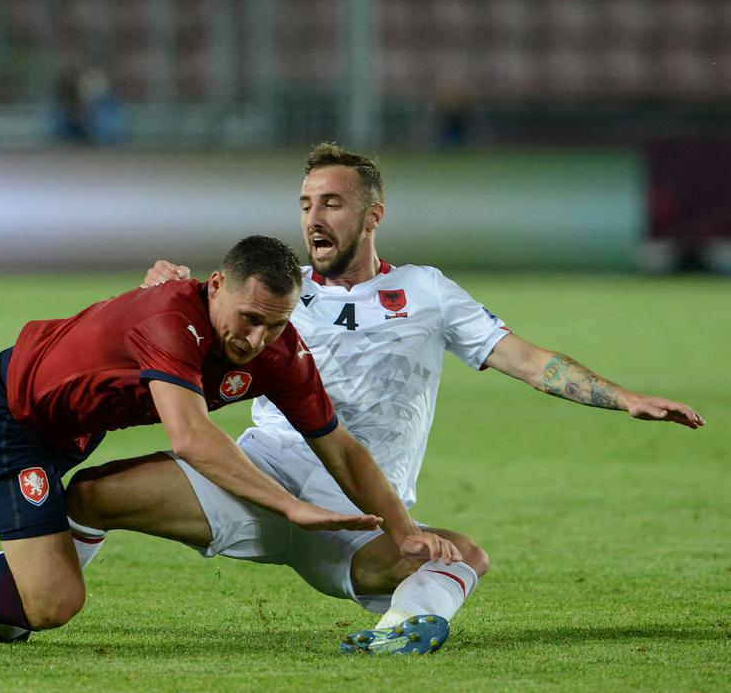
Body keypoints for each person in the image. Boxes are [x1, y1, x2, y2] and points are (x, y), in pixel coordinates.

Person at [57, 142, 705, 654]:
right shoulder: (277, 294)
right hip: (257, 476)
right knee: (90, 494)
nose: (314, 215)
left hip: (359, 513)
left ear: (373, 215)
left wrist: (622, 398)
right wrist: (162, 287)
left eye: (332, 202)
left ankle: (405, 629)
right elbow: (195, 323)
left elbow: (528, 361)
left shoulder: (427, 292)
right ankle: (18, 596)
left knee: (462, 554)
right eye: (307, 201)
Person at [0, 235, 460, 653]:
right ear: (215, 286)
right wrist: (292, 507)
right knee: (49, 601)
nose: (258, 338)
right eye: (248, 317)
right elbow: (189, 436)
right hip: (12, 406)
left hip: (78, 419)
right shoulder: (169, 320)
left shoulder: (279, 351)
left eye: (276, 323)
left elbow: (341, 448)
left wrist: (401, 529)